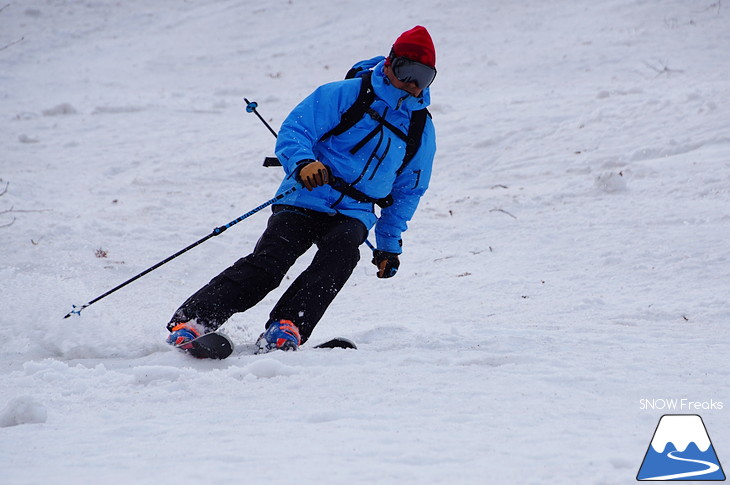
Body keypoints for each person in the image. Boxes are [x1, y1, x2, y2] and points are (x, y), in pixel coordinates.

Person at [166, 25, 437, 354]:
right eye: (406, 70)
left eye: (423, 77)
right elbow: (296, 130)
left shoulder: (420, 128)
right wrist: (304, 162)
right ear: (390, 63)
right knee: (271, 262)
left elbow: (408, 190)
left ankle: (287, 326)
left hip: (354, 212)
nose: (412, 83)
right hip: (306, 196)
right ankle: (192, 321)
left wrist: (389, 245)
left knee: (341, 256)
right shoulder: (345, 93)